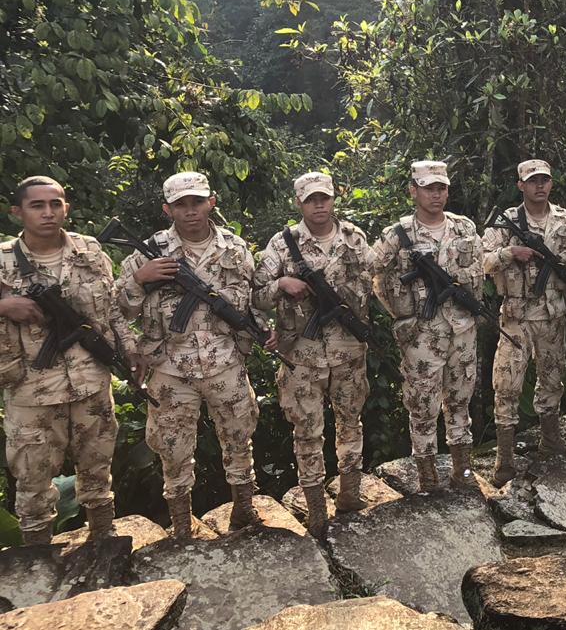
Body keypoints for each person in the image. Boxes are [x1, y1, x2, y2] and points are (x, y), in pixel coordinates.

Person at [115, 172, 263, 537]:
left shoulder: (234, 247)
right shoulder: (149, 252)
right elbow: (115, 308)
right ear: (168, 209)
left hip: (224, 361)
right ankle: (183, 525)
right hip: (169, 367)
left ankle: (244, 509)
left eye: (197, 202)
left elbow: (253, 298)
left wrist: (259, 336)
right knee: (172, 447)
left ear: (211, 202)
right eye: (181, 204)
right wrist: (140, 279)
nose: (191, 211)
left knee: (238, 436)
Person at [253, 172, 374, 535]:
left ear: (334, 199)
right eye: (310, 199)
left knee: (351, 420)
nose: (319, 205)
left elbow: (376, 280)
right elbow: (254, 294)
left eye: (324, 198)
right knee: (306, 429)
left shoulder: (355, 238)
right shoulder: (281, 243)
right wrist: (280, 285)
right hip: (301, 353)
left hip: (348, 348)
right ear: (298, 203)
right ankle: (317, 506)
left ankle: (350, 493)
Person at [0, 177, 119, 545]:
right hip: (29, 390)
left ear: (66, 207)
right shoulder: (2, 258)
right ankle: (38, 560)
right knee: (33, 479)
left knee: (98, 469)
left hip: (90, 382)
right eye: (37, 205)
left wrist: (129, 355)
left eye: (56, 203)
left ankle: (103, 541)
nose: (48, 212)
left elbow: (111, 310)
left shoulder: (90, 250)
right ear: (17, 212)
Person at [371, 160, 483, 492]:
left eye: (441, 188)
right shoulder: (398, 234)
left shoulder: (464, 228)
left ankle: (462, 470)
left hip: (462, 328)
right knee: (422, 404)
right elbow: (371, 272)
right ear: (413, 191)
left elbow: (477, 270)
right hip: (421, 334)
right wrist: (398, 312)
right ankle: (428, 475)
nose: (436, 195)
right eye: (428, 188)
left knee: (460, 398)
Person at [482, 159, 566, 486]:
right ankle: (505, 459)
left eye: (544, 180)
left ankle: (551, 441)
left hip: (552, 316)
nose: (539, 185)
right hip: (516, 317)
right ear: (520, 184)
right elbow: (480, 262)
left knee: (552, 378)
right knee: (507, 384)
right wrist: (511, 254)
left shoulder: (564, 220)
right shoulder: (507, 222)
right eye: (532, 180)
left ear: (551, 183)